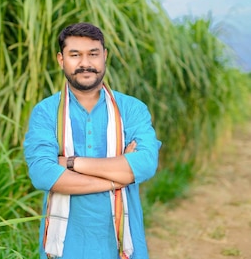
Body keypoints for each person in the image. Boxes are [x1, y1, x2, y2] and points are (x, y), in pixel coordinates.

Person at [23, 22, 161, 259]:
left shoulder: (131, 109)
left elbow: (146, 164)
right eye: (75, 55)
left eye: (93, 54)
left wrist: (70, 163)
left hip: (123, 246)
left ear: (104, 56)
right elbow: (43, 174)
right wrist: (116, 180)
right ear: (61, 59)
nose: (85, 63)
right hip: (66, 247)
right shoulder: (45, 112)